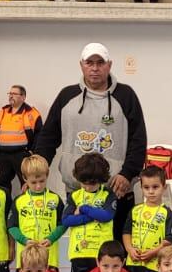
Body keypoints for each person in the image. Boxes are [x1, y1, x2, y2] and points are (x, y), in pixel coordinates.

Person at [33, 42, 147, 200]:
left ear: (109, 65)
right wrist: (35, 171)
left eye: (100, 63)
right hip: (76, 190)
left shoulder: (126, 96)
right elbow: (48, 138)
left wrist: (127, 174)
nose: (95, 68)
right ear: (81, 65)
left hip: (116, 191)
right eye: (89, 63)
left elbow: (138, 141)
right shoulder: (67, 96)